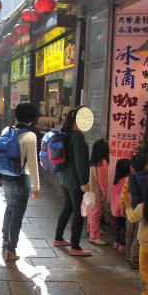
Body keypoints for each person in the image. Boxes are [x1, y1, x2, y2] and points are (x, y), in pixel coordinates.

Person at [0, 101, 40, 262]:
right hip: (21, 178)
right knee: (18, 213)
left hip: (5, 175)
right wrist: (36, 186)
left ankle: (5, 239)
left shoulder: (7, 130)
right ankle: (11, 250)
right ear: (32, 118)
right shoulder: (30, 136)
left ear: (16, 115)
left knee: (10, 207)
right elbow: (32, 163)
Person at [54, 107, 91, 256]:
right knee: (78, 212)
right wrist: (84, 181)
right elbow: (80, 162)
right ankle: (75, 247)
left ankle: (58, 238)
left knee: (67, 208)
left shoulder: (66, 133)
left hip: (63, 177)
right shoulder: (78, 137)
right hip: (74, 180)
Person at [126, 153, 148, 268]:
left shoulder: (131, 177)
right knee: (139, 234)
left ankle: (128, 255)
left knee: (130, 232)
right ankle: (135, 259)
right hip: (142, 209)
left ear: (133, 167)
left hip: (131, 207)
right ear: (147, 165)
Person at [86, 139, 110, 246]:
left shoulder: (93, 162)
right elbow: (102, 180)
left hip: (90, 192)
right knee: (96, 214)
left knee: (91, 213)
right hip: (97, 193)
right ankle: (94, 236)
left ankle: (90, 230)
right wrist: (104, 193)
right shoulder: (102, 162)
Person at [111, 158, 131, 251]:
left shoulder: (116, 180)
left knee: (118, 226)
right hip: (122, 208)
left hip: (116, 208)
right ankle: (122, 245)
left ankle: (116, 242)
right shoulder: (126, 180)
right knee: (124, 227)